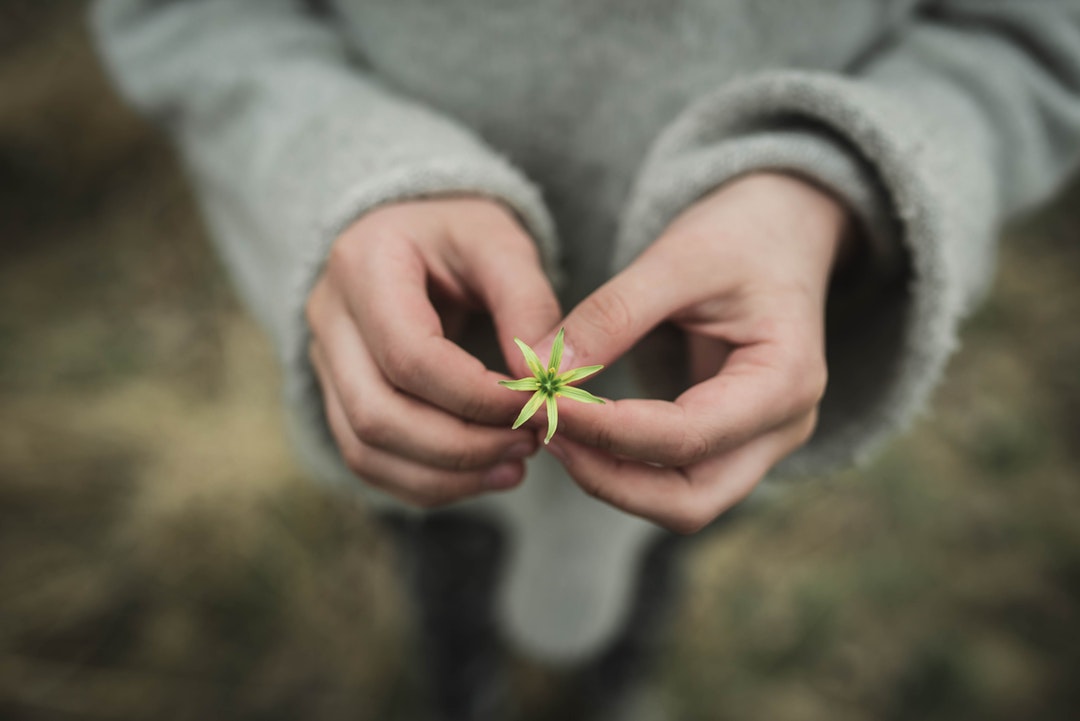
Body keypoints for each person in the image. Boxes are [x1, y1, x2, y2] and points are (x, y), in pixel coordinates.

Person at [92, 1, 1080, 719]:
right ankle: (464, 686)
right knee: (444, 554)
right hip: (425, 397)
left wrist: (831, 183)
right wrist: (347, 167)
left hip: (709, 396)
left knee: (659, 557)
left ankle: (617, 678)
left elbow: (1034, 40)